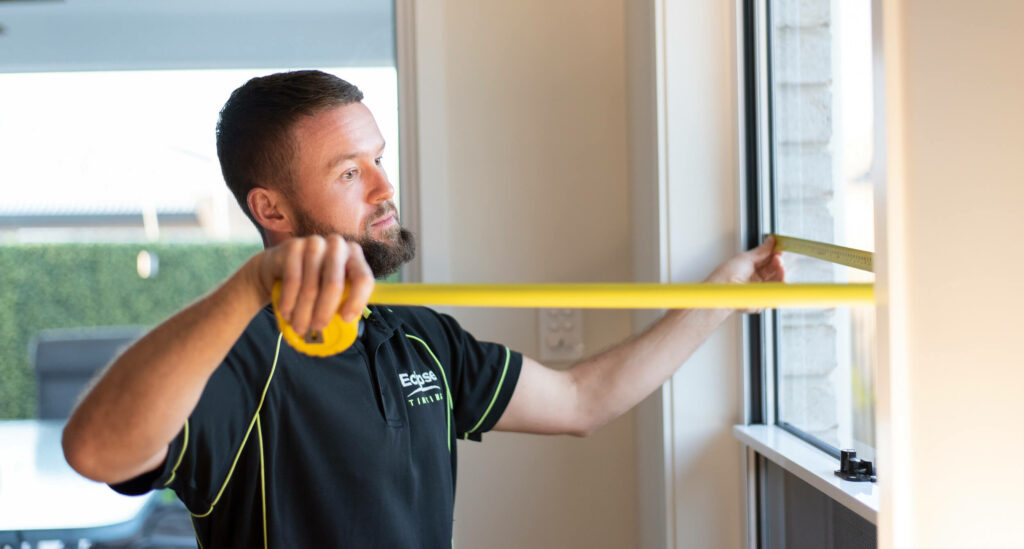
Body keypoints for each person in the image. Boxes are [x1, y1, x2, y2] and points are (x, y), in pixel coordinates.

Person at [62, 70, 784, 548]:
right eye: (351, 171)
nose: (383, 187)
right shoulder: (240, 357)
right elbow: (95, 451)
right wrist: (254, 285)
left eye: (378, 157)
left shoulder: (420, 339)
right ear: (271, 208)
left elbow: (582, 399)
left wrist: (724, 294)